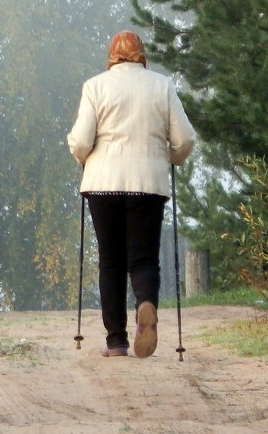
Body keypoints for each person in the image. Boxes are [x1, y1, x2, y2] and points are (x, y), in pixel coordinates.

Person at [66, 31, 195, 358]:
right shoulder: (161, 85)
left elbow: (81, 141)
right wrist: (172, 159)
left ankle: (117, 342)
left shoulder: (95, 86)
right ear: (141, 55)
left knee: (110, 260)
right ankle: (146, 304)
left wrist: (82, 157)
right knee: (144, 257)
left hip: (103, 183)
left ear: (111, 56)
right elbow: (185, 139)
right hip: (148, 184)